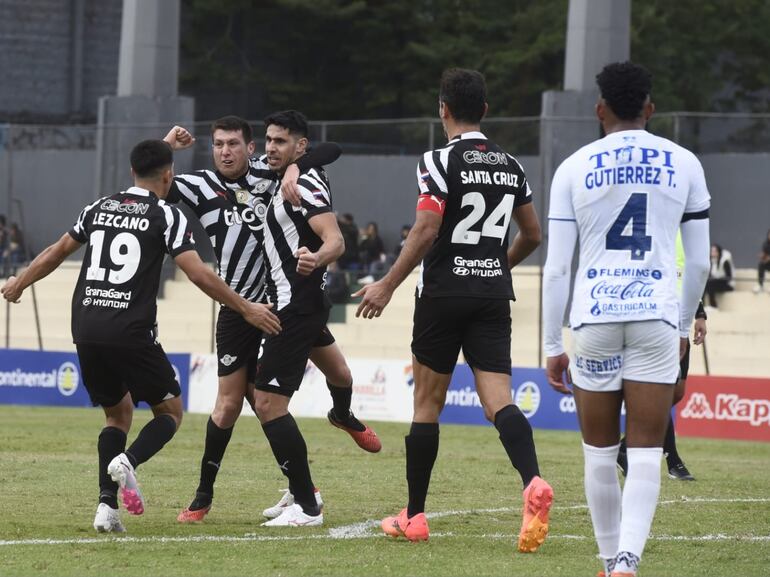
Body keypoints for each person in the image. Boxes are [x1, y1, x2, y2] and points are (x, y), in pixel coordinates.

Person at [0, 140, 279, 534]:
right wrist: (246, 307)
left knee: (117, 414)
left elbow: (57, 251)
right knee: (170, 413)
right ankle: (128, 461)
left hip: (87, 327)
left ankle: (106, 508)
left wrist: (20, 282)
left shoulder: (98, 207)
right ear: (169, 176)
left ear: (132, 171)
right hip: (130, 330)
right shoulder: (167, 215)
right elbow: (198, 273)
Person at [354, 68, 552, 551]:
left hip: (442, 292)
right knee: (498, 402)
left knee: (427, 405)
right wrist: (492, 266)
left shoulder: (437, 160)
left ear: (443, 109)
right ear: (485, 110)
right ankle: (532, 482)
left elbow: (425, 229)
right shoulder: (511, 164)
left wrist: (386, 284)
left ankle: (415, 516)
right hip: (490, 295)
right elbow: (533, 235)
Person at [163, 117, 380, 524]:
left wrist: (299, 165)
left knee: (337, 374)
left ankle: (338, 426)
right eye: (218, 145)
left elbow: (326, 151)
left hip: (283, 303)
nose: (225, 152)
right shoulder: (202, 186)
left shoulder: (273, 168)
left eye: (233, 144)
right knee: (233, 404)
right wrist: (167, 145)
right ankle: (204, 496)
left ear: (250, 149)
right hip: (238, 307)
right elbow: (153, 180)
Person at [542, 62, 710, 577]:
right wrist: (683, 328)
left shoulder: (573, 166)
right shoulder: (685, 162)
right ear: (650, 109)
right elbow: (700, 262)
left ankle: (606, 558)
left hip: (594, 314)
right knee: (643, 452)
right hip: (655, 314)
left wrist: (552, 343)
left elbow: (556, 269)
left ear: (600, 111)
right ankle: (628, 565)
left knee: (598, 453)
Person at [252, 109, 366, 527]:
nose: (270, 148)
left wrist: (315, 258)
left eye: (280, 141)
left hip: (292, 304)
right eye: (267, 140)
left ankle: (307, 504)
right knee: (340, 372)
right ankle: (341, 414)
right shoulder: (277, 170)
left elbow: (335, 241)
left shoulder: (306, 181)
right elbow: (331, 148)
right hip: (301, 302)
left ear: (300, 145)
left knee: (267, 403)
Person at [617, 233, 709, 481]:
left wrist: (699, 313)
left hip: (682, 316)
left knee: (677, 392)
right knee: (663, 390)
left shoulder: (685, 224)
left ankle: (625, 446)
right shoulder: (656, 219)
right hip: (658, 314)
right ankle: (673, 460)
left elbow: (691, 270)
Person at [704, 243, 734, 308]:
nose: (713, 253)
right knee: (706, 284)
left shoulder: (724, 261)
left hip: (726, 284)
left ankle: (713, 305)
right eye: (712, 251)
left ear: (719, 252)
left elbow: (729, 277)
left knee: (709, 284)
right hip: (715, 283)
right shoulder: (711, 261)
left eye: (715, 251)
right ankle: (703, 305)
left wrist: (718, 280)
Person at [753, 229, 770, 293]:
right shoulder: (765, 244)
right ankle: (760, 285)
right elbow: (765, 254)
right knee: (761, 265)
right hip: (768, 263)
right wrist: (763, 257)